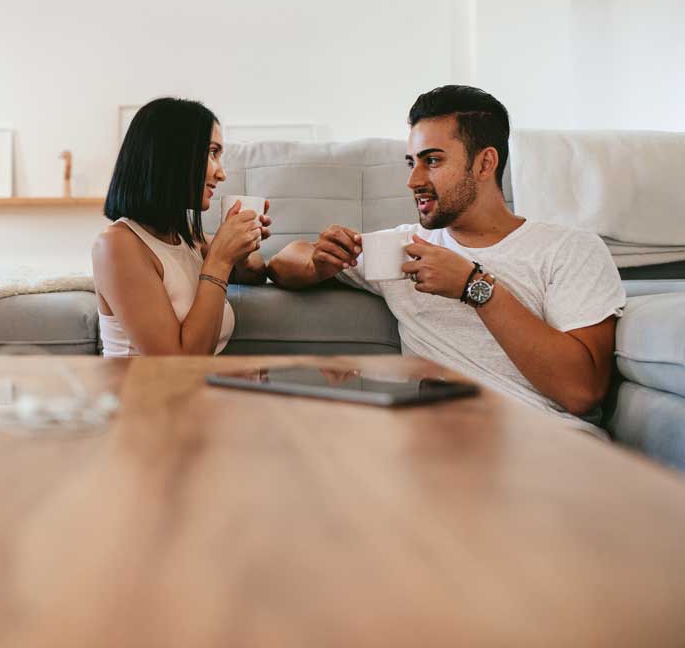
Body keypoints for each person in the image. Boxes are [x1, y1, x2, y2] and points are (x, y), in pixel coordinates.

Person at [267, 85, 625, 434]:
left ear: (485, 163)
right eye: (411, 163)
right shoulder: (401, 249)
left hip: (547, 441)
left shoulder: (570, 249)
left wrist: (475, 287)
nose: (413, 180)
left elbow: (581, 391)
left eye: (432, 161)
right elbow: (281, 263)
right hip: (439, 445)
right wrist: (318, 262)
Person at [92, 98, 271, 356]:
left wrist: (241, 249)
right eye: (212, 153)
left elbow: (255, 272)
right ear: (172, 155)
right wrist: (220, 259)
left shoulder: (185, 237)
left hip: (194, 393)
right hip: (142, 394)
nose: (222, 173)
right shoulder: (117, 245)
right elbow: (178, 363)